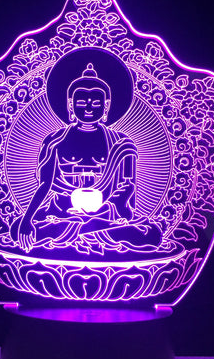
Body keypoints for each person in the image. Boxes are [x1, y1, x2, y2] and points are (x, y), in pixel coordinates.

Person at [10, 63, 162, 256]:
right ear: (70, 105)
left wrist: (105, 207)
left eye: (96, 104)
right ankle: (88, 230)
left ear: (106, 107)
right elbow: (45, 184)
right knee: (17, 229)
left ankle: (84, 229)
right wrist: (27, 219)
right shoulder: (55, 141)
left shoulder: (121, 142)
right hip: (62, 209)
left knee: (152, 234)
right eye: (81, 103)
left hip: (107, 212)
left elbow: (127, 185)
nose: (89, 108)